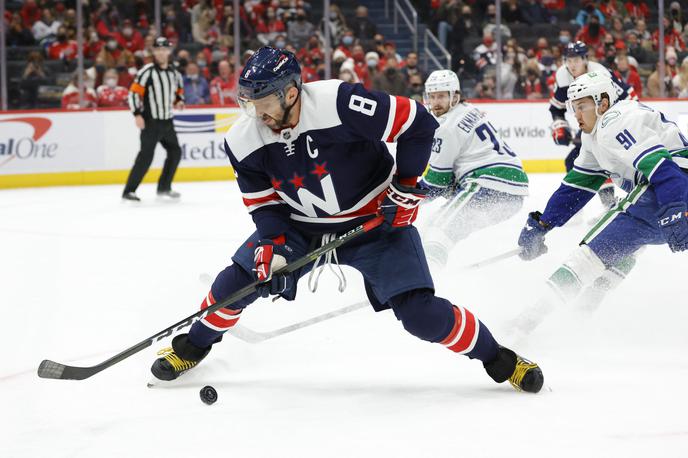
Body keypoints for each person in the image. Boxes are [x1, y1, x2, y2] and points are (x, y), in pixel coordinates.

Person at [148, 47, 544, 393]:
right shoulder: (243, 139)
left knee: (421, 315)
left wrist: (404, 187)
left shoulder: (338, 102)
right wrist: (271, 243)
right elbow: (265, 205)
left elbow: (418, 123)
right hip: (300, 228)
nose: (256, 113)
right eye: (248, 102)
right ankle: (194, 345)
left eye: (263, 102)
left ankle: (500, 358)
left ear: (290, 92)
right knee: (233, 283)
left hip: (377, 220)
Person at [514, 71, 688, 335]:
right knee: (628, 247)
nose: (577, 115)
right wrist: (542, 223)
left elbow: (661, 167)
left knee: (590, 254)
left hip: (673, 187)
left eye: (582, 106)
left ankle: (529, 319)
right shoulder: (594, 136)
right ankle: (587, 306)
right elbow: (576, 187)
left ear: (603, 102)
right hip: (671, 191)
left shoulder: (614, 122)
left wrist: (675, 207)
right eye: (574, 108)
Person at [419, 70, 528, 270]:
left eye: (442, 96)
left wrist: (402, 199)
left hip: (487, 183)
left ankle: (429, 278)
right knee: (436, 228)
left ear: (455, 96)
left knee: (438, 230)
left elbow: (436, 183)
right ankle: (426, 267)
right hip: (511, 190)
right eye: (432, 96)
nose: (436, 102)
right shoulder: (467, 109)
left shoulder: (445, 126)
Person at [549, 41, 637, 212]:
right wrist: (560, 126)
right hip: (594, 127)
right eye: (568, 60)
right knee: (576, 161)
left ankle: (613, 205)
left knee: (604, 161)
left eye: (576, 60)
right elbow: (556, 108)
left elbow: (629, 97)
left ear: (585, 59)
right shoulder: (562, 76)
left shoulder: (600, 74)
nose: (572, 65)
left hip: (615, 122)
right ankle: (606, 206)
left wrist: (625, 124)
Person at [123, 37, 184, 202]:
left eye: (164, 50)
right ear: (154, 52)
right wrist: (136, 114)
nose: (161, 53)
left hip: (167, 121)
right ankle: (129, 191)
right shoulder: (147, 71)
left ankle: (164, 187)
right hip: (151, 121)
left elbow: (178, 92)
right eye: (158, 50)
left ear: (169, 52)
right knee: (146, 156)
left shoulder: (174, 73)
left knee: (175, 152)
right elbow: (134, 93)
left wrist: (179, 102)